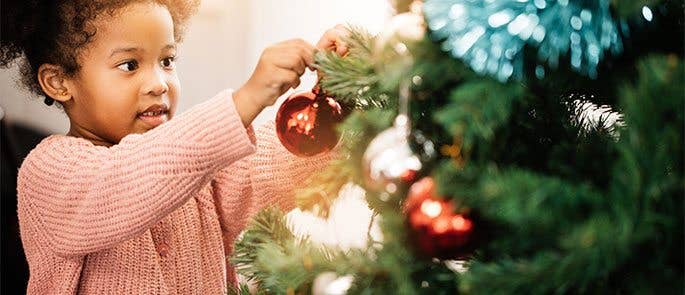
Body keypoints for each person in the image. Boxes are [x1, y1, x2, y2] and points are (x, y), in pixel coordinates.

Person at [0, 0, 349, 293]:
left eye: (167, 61)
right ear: (59, 82)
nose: (158, 84)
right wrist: (244, 100)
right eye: (129, 65)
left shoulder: (198, 171)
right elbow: (129, 180)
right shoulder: (50, 171)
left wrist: (335, 104)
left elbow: (270, 169)